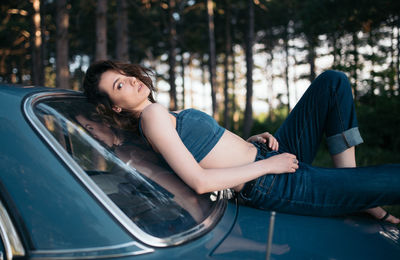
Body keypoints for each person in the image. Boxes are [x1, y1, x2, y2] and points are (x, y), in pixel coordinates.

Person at [83, 60, 400, 224]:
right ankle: (359, 194)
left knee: (332, 83)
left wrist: (247, 143)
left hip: (267, 155)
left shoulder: (157, 116)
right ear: (115, 106)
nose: (133, 80)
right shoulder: (151, 116)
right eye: (120, 84)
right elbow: (200, 181)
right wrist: (267, 165)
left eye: (125, 73)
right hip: (268, 181)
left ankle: (358, 193)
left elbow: (208, 150)